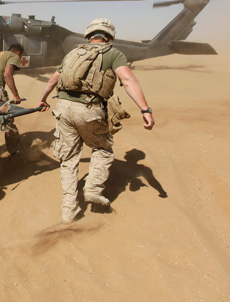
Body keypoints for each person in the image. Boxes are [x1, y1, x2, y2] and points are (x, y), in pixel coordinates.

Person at [37, 18, 155, 223]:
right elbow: (127, 80)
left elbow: (53, 79)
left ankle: (69, 210)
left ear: (89, 35)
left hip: (63, 109)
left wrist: (43, 98)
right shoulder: (112, 53)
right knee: (102, 149)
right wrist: (145, 109)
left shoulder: (73, 52)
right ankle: (92, 188)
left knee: (68, 159)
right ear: (109, 37)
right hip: (90, 110)